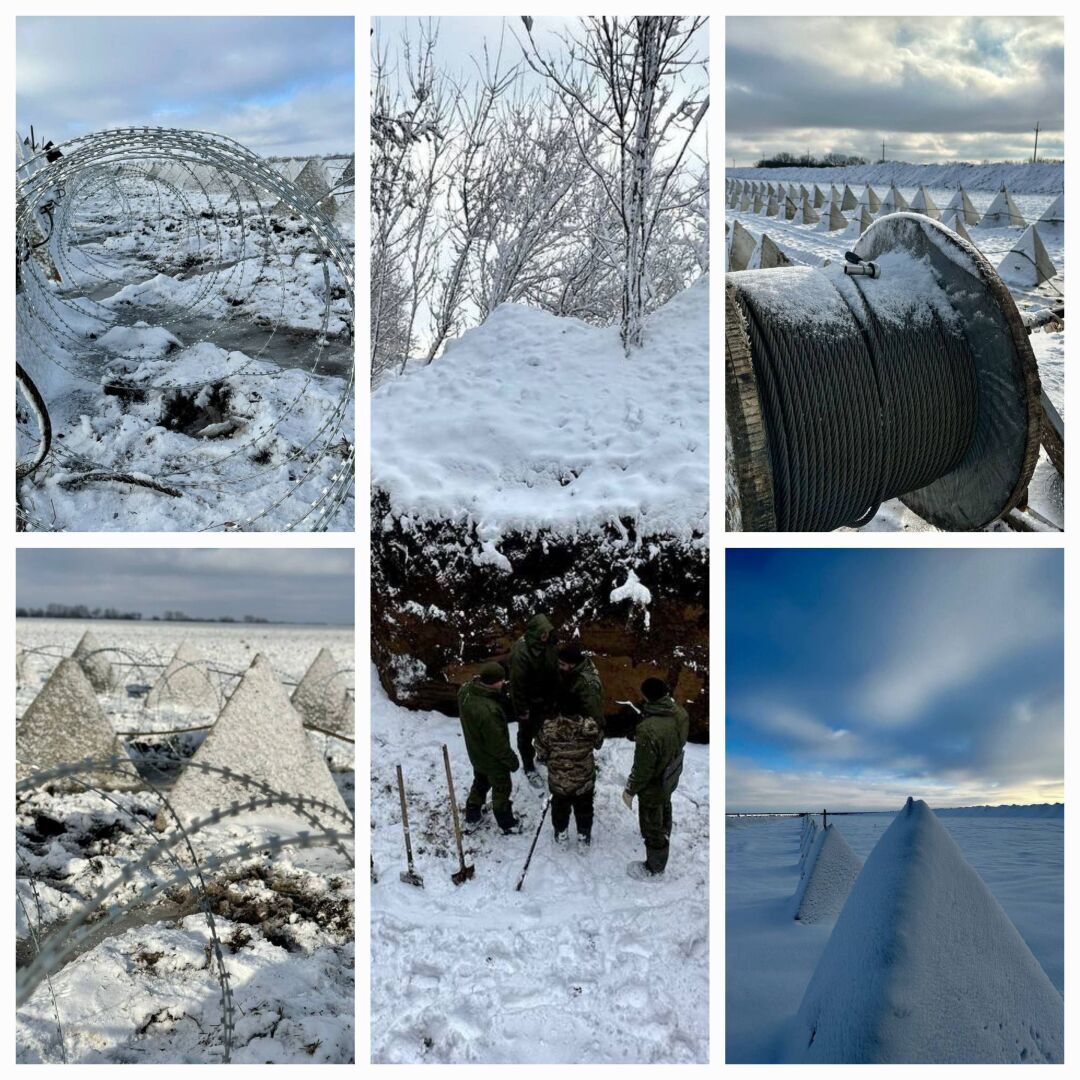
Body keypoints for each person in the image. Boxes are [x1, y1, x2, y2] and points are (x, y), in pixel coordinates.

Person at [621, 677, 689, 879]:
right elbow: (680, 741)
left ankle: (655, 867)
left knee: (651, 822)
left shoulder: (648, 729)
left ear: (646, 696)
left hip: (654, 783)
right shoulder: (680, 713)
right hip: (671, 773)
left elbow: (643, 769)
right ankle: (665, 830)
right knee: (665, 803)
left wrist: (630, 789)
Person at [458, 662, 521, 834]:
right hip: (493, 760)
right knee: (502, 789)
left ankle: (472, 813)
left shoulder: (466, 691)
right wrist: (512, 761)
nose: (504, 683)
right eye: (501, 680)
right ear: (494, 682)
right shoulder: (489, 712)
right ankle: (506, 823)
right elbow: (498, 745)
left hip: (476, 752)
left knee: (480, 781)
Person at [535, 712, 604, 847]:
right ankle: (583, 836)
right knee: (584, 809)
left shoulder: (548, 727)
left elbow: (541, 752)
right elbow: (599, 743)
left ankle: (561, 834)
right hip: (584, 780)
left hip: (559, 781)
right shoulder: (590, 725)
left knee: (560, 808)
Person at [509, 613, 559, 787]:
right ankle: (529, 766)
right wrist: (522, 709)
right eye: (543, 633)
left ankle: (543, 755)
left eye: (547, 632)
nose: (546, 635)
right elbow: (517, 685)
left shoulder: (549, 643)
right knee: (525, 735)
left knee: (546, 729)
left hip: (547, 698)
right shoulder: (521, 652)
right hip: (530, 702)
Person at [557, 642, 605, 723]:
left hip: (585, 727)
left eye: (562, 664)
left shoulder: (588, 683)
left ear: (572, 665)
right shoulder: (571, 674)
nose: (559, 667)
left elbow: (594, 715)